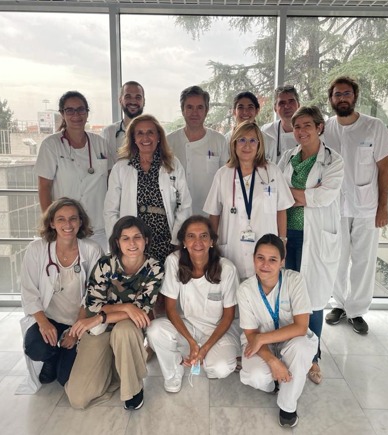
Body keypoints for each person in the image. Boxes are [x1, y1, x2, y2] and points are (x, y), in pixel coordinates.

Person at [323, 76, 388, 334]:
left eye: (347, 93)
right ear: (331, 99)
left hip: (367, 207)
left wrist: (383, 207)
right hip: (334, 207)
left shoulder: (373, 127)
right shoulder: (326, 128)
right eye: (337, 94)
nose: (342, 98)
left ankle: (357, 311)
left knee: (363, 260)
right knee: (336, 258)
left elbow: (385, 169)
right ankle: (339, 304)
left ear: (355, 96)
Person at [65, 216, 163, 410]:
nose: (132, 243)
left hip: (127, 328)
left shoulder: (155, 268)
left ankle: (133, 389)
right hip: (99, 328)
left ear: (146, 240)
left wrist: (103, 316)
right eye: (125, 238)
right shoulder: (105, 264)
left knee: (124, 330)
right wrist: (127, 307)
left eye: (137, 237)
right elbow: (93, 305)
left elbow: (141, 311)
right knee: (78, 399)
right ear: (117, 242)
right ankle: (119, 369)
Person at [277, 106, 344, 385]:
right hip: (288, 234)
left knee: (314, 299)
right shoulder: (286, 157)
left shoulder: (333, 161)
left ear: (319, 127)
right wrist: (304, 195)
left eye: (307, 125)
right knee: (288, 296)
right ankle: (289, 350)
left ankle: (313, 358)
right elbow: (276, 193)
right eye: (297, 126)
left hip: (316, 237)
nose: (301, 131)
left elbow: (323, 197)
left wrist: (293, 195)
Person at [18, 198, 103, 394]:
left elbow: (95, 293)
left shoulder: (92, 250)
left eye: (73, 218)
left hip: (79, 320)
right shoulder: (37, 250)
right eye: (61, 219)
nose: (68, 224)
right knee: (36, 347)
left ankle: (62, 356)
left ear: (80, 221)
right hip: (49, 318)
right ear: (51, 223)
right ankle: (51, 356)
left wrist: (75, 330)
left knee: (65, 378)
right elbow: (29, 291)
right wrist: (43, 323)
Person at [147, 216, 240, 393]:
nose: (198, 242)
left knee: (219, 368)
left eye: (204, 236)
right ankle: (174, 371)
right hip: (188, 326)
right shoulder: (174, 261)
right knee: (155, 330)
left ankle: (205, 358)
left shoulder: (227, 269)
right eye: (191, 236)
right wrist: (191, 342)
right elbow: (170, 309)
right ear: (183, 242)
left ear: (212, 241)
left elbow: (228, 317)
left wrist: (205, 349)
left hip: (217, 330)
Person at [237, 234, 318, 428]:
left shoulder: (294, 280)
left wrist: (261, 338)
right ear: (253, 259)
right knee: (256, 376)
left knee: (300, 349)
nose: (265, 264)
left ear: (282, 262)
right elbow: (251, 334)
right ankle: (274, 384)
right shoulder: (245, 289)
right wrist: (273, 361)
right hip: (260, 344)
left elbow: (301, 327)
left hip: (291, 340)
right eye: (260, 258)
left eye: (273, 259)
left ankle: (287, 406)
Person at [204, 120, 293, 280]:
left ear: (259, 145)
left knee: (263, 290)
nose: (247, 145)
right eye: (242, 140)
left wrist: (283, 241)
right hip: (232, 249)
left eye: (252, 140)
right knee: (233, 289)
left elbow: (281, 209)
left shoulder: (272, 172)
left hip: (266, 249)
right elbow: (214, 214)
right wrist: (212, 246)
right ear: (234, 143)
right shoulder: (223, 174)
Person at [104, 113, 192, 263]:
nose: (145, 138)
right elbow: (110, 210)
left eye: (150, 132)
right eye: (140, 133)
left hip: (166, 241)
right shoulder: (121, 167)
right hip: (132, 242)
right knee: (136, 276)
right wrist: (118, 242)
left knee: (166, 276)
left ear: (159, 136)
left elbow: (184, 205)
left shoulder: (172, 164)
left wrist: (177, 240)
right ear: (133, 138)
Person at [35, 91, 113, 252]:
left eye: (80, 109)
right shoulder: (51, 145)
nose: (76, 115)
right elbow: (44, 188)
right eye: (70, 110)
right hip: (66, 228)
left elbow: (112, 183)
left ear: (87, 113)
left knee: (98, 267)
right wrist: (52, 224)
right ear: (62, 114)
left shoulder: (100, 144)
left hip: (99, 227)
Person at [167, 86, 229, 215]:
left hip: (210, 214)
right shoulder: (169, 141)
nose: (194, 113)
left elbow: (226, 180)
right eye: (189, 107)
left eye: (200, 107)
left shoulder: (219, 140)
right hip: (176, 214)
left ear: (206, 110)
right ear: (182, 110)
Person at [225, 91, 277, 162]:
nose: (245, 112)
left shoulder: (269, 142)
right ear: (234, 111)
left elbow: (272, 168)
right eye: (240, 107)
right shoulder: (225, 141)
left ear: (257, 111)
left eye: (250, 107)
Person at [102, 81, 145, 161]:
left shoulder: (155, 133)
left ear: (143, 101)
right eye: (128, 97)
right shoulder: (109, 132)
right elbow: (106, 165)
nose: (133, 101)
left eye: (138, 97)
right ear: (120, 100)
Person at [261, 85, 300, 163]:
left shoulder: (310, 130)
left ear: (298, 105)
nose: (287, 106)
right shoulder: (266, 131)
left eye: (291, 101)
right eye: (282, 103)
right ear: (275, 108)